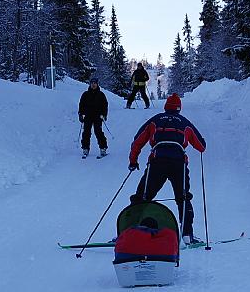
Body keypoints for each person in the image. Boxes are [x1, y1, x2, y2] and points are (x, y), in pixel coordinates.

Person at [127, 93, 206, 244]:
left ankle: (129, 230)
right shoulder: (185, 122)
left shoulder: (155, 120)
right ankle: (187, 235)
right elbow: (201, 147)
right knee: (183, 198)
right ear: (179, 108)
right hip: (178, 164)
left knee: (143, 196)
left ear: (165, 107)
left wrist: (133, 160)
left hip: (157, 162)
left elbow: (138, 140)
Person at [78, 77, 108, 158]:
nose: (93, 85)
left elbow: (105, 105)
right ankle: (85, 148)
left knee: (98, 131)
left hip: (98, 116)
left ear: (97, 84)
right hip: (88, 116)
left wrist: (104, 115)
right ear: (90, 84)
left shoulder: (101, 95)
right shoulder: (85, 94)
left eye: (95, 83)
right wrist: (81, 114)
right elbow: (81, 105)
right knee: (86, 132)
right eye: (92, 83)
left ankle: (103, 148)